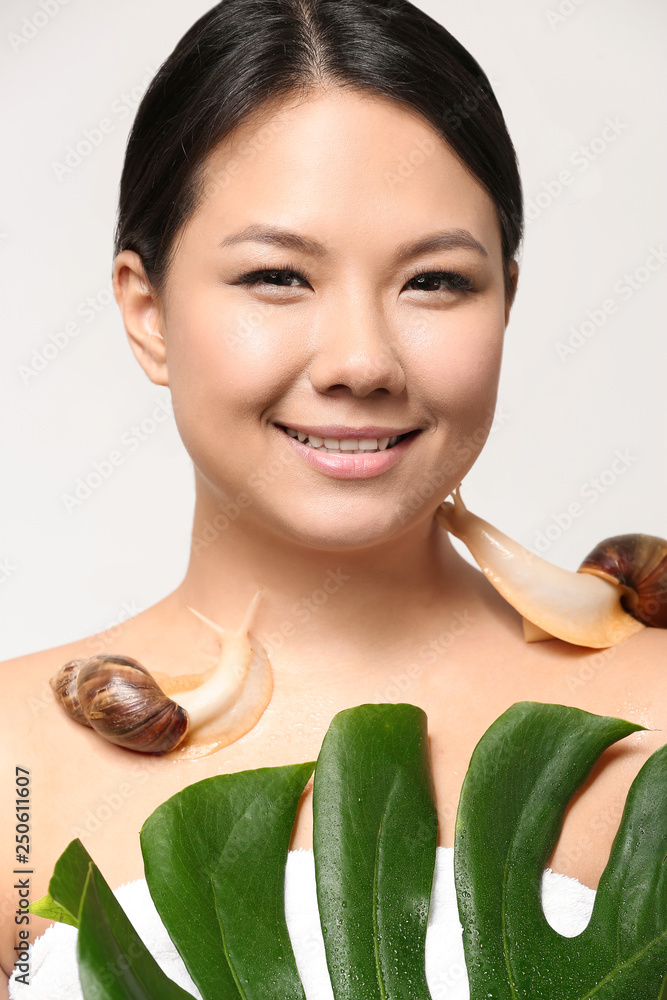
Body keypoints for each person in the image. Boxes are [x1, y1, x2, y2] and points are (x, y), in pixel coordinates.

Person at [1, 0, 665, 994]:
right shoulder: (14, 762)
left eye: (435, 282)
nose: (360, 361)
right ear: (147, 312)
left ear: (507, 301)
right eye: (277, 276)